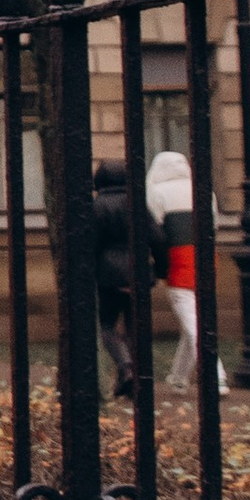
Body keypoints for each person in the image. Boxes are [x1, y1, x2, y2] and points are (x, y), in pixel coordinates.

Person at [146, 144, 222, 391]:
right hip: (206, 258)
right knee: (193, 320)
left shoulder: (156, 192)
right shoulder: (202, 189)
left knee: (193, 321)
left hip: (177, 260)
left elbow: (154, 231)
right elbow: (214, 224)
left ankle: (215, 374)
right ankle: (179, 377)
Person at [91, 157, 165, 399]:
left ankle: (126, 368)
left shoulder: (98, 205)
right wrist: (161, 269)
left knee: (107, 325)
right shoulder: (137, 204)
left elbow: (92, 244)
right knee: (136, 327)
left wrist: (92, 271)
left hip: (109, 274)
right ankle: (138, 378)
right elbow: (157, 238)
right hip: (139, 272)